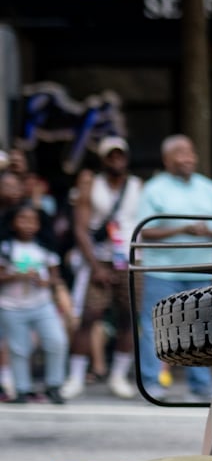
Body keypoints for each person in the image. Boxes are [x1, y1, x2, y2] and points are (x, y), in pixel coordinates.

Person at [135, 135, 212, 400]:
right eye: (179, 153)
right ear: (167, 159)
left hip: (200, 269)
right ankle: (152, 381)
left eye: (190, 152)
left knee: (199, 327)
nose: (187, 157)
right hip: (161, 271)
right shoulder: (154, 189)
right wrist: (183, 228)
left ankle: (200, 385)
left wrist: (208, 229)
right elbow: (145, 230)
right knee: (155, 325)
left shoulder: (209, 188)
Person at [61, 136, 142, 399]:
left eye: (120, 155)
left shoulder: (137, 186)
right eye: (111, 155)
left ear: (126, 158)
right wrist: (95, 266)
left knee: (128, 319)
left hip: (131, 259)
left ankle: (118, 376)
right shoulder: (91, 185)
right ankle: (75, 377)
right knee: (89, 317)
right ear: (103, 159)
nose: (116, 159)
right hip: (100, 259)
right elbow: (81, 229)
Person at [0, 204, 72, 404]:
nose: (28, 225)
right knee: (18, 348)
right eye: (23, 219)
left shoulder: (44, 248)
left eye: (33, 220)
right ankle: (22, 389)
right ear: (13, 223)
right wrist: (16, 275)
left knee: (57, 341)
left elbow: (55, 277)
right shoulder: (5, 247)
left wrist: (45, 281)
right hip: (10, 305)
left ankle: (54, 384)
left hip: (41, 303)